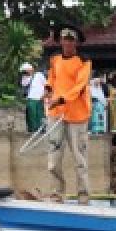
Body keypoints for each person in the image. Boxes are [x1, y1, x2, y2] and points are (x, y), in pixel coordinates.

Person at [45, 27, 92, 203]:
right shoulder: (55, 59)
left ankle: (83, 195)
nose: (67, 42)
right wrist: (48, 89)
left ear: (76, 42)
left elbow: (79, 87)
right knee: (54, 157)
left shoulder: (84, 62)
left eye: (71, 39)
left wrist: (61, 99)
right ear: (61, 41)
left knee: (80, 158)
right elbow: (52, 77)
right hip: (56, 114)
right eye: (65, 38)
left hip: (77, 116)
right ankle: (57, 193)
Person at [21, 63, 47, 132]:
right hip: (30, 99)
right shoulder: (24, 78)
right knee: (31, 115)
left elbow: (46, 84)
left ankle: (41, 129)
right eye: (24, 71)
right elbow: (24, 85)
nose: (25, 72)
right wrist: (26, 76)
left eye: (25, 71)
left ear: (31, 69)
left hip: (40, 98)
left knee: (40, 115)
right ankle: (32, 130)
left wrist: (45, 94)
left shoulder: (39, 75)